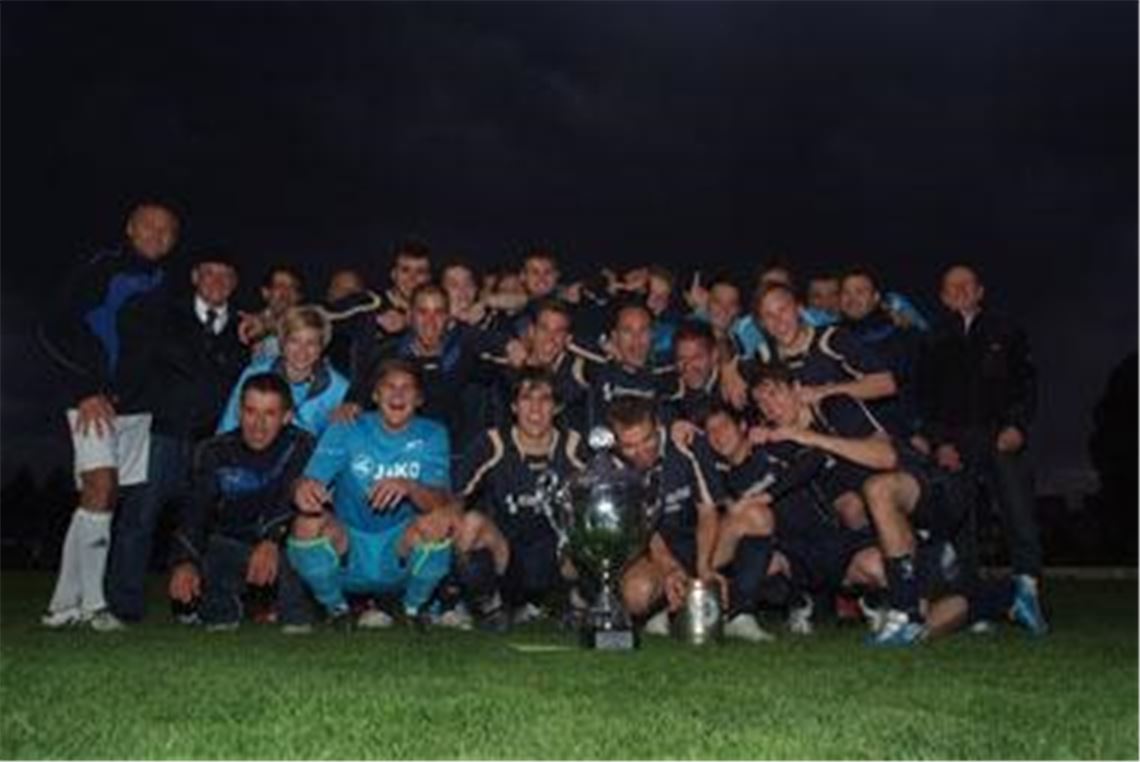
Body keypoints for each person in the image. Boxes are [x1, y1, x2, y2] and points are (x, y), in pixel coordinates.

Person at [749, 361, 1047, 645]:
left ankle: (905, 610)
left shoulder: (833, 406)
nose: (770, 407)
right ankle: (1005, 596)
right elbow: (847, 507)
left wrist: (811, 438)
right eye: (761, 403)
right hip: (906, 525)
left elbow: (886, 457)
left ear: (796, 388)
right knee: (913, 614)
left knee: (878, 487)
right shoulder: (797, 449)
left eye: (774, 393)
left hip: (931, 489)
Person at [38, 199, 181, 630]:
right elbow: (53, 326)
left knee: (101, 497)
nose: (157, 235)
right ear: (131, 228)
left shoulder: (163, 282)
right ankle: (95, 605)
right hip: (92, 401)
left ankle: (63, 604)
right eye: (149, 226)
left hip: (134, 409)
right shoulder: (102, 267)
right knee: (101, 486)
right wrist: (85, 390)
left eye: (166, 231)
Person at [106, 248, 246, 623]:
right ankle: (124, 607)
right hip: (160, 434)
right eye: (209, 272)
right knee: (139, 519)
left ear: (234, 283)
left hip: (210, 443)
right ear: (195, 277)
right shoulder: (163, 315)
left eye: (225, 274)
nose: (217, 281)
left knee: (202, 524)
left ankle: (194, 606)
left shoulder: (244, 330)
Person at [287, 359, 460, 627]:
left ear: (419, 399)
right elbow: (308, 480)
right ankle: (337, 610)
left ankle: (411, 610)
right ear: (375, 395)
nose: (398, 394)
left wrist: (409, 486)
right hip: (350, 546)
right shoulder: (347, 427)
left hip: (399, 550)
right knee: (306, 522)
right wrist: (302, 488)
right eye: (389, 386)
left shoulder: (432, 434)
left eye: (407, 388)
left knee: (439, 521)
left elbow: (441, 500)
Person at [917, 264, 1046, 624]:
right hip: (955, 441)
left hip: (999, 435)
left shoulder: (1007, 330)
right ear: (942, 296)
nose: (959, 291)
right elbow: (925, 399)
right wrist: (939, 441)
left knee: (1019, 513)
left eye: (966, 284)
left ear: (979, 290)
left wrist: (1017, 426)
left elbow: (1027, 383)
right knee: (961, 524)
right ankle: (971, 605)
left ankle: (1027, 593)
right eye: (950, 286)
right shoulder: (933, 339)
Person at [609, 397, 777, 642]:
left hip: (700, 542)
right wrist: (669, 569)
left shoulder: (685, 442)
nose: (642, 451)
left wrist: (703, 566)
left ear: (658, 426)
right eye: (630, 446)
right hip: (653, 551)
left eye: (647, 440)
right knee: (637, 594)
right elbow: (644, 532)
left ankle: (739, 614)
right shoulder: (610, 466)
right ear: (616, 443)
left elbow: (707, 512)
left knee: (757, 517)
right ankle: (666, 612)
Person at [167, 373, 317, 632]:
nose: (258, 425)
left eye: (269, 414)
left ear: (287, 417)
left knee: (306, 534)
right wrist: (184, 561)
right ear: (239, 412)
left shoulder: (302, 445)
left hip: (283, 547)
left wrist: (272, 538)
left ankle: (294, 609)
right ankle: (222, 608)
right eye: (250, 412)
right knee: (209, 553)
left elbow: (290, 499)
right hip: (230, 549)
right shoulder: (213, 451)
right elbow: (194, 513)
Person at [454, 368, 588, 625]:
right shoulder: (493, 444)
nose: (535, 409)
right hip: (508, 557)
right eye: (527, 399)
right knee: (467, 522)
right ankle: (488, 605)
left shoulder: (574, 446)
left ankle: (579, 603)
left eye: (545, 399)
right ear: (514, 406)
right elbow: (456, 497)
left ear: (557, 407)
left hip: (559, 558)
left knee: (604, 522)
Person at [218, 306, 349, 438]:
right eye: (294, 341)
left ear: (322, 347)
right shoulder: (255, 373)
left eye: (311, 343)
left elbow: (340, 442)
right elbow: (228, 426)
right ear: (282, 343)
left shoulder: (339, 389)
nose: (302, 351)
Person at [570, 299, 678, 431]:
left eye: (643, 330)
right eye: (627, 330)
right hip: (603, 448)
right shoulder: (598, 367)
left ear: (652, 335)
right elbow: (567, 339)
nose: (636, 339)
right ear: (615, 337)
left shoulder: (664, 371)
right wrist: (602, 344)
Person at [239, 265, 305, 361]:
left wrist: (268, 328)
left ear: (299, 296)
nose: (285, 292)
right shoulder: (250, 321)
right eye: (279, 285)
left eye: (292, 287)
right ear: (265, 292)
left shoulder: (310, 323)